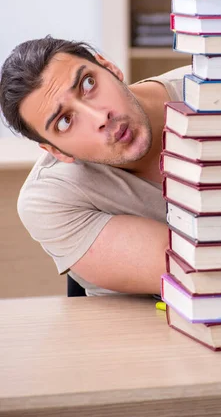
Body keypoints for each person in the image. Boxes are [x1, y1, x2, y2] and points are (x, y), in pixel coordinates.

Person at [0, 36, 190, 296]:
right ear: (56, 151)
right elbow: (197, 272)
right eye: (65, 122)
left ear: (109, 67)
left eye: (88, 84)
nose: (100, 117)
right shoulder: (48, 197)